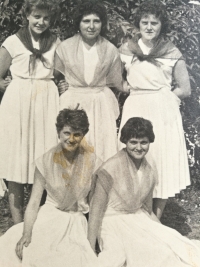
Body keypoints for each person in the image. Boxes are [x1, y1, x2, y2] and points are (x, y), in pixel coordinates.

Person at [88, 117, 200, 267]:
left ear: (150, 142)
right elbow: (95, 212)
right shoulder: (109, 168)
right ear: (125, 142)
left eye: (144, 142)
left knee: (173, 247)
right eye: (133, 142)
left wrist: (161, 232)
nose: (139, 147)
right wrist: (89, 248)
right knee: (139, 254)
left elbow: (147, 210)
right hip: (113, 222)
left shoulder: (149, 168)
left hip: (139, 218)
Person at [0, 108, 101, 267]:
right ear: (58, 132)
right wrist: (26, 233)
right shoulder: (46, 160)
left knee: (74, 259)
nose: (71, 139)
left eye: (77, 134)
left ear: (84, 135)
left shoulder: (93, 162)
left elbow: (96, 207)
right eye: (67, 133)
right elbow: (33, 202)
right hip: (49, 217)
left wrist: (91, 243)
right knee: (32, 253)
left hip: (76, 220)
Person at [118, 0, 191, 219]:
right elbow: (115, 79)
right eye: (145, 22)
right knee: (133, 157)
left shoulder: (171, 52)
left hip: (162, 110)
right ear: (138, 25)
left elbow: (185, 89)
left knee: (160, 158)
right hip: (136, 105)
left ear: (161, 26)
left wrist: (164, 97)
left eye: (154, 23)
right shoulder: (126, 49)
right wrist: (129, 89)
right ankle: (133, 211)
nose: (149, 27)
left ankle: (155, 217)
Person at [0, 0, 60, 224]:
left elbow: (62, 72)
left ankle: (39, 219)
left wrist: (62, 84)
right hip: (18, 103)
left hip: (46, 100)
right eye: (36, 16)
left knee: (43, 156)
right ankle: (17, 223)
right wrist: (5, 84)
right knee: (16, 156)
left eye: (45, 18)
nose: (41, 22)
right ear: (27, 16)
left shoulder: (55, 42)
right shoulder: (13, 42)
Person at [54, 0, 124, 163]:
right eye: (86, 21)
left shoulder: (110, 49)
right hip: (72, 102)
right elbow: (55, 76)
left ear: (102, 24)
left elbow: (116, 82)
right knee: (72, 147)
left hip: (100, 104)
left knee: (100, 148)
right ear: (78, 23)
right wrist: (60, 85)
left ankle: (98, 187)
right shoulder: (64, 47)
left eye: (96, 21)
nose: (91, 26)